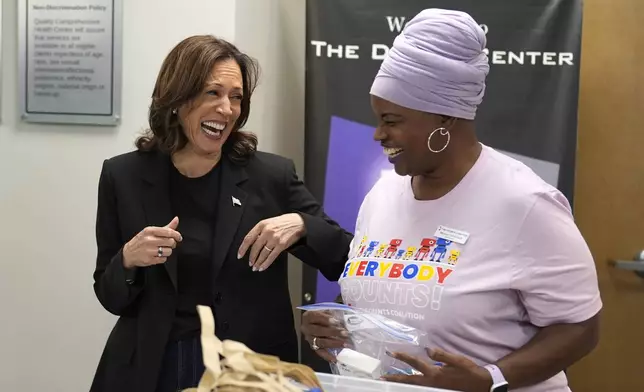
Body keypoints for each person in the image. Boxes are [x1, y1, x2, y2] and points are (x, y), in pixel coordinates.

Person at [301, 9, 601, 392]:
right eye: (377, 118)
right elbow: (378, 289)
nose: (378, 134)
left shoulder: (525, 203)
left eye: (392, 120)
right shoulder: (382, 194)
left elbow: (581, 327)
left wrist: (492, 378)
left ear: (445, 119)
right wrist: (337, 323)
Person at [89, 35, 352, 392]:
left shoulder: (271, 177)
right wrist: (129, 259)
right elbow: (110, 295)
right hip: (154, 369)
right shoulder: (123, 176)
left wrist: (302, 225)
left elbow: (344, 258)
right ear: (177, 98)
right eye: (212, 93)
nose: (227, 109)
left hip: (249, 370)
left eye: (236, 97)